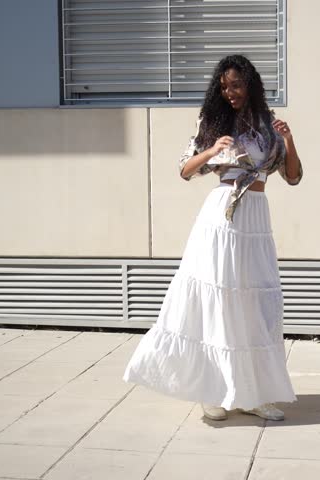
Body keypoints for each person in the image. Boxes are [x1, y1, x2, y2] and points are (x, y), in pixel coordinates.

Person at [122, 54, 303, 421]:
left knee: (252, 306)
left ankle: (251, 394)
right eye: (224, 87)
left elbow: (294, 177)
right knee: (219, 300)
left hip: (255, 217)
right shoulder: (214, 121)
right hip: (222, 217)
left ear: (250, 84)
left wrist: (289, 139)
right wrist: (212, 150)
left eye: (235, 85)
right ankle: (213, 391)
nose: (230, 92)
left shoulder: (268, 126)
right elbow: (185, 170)